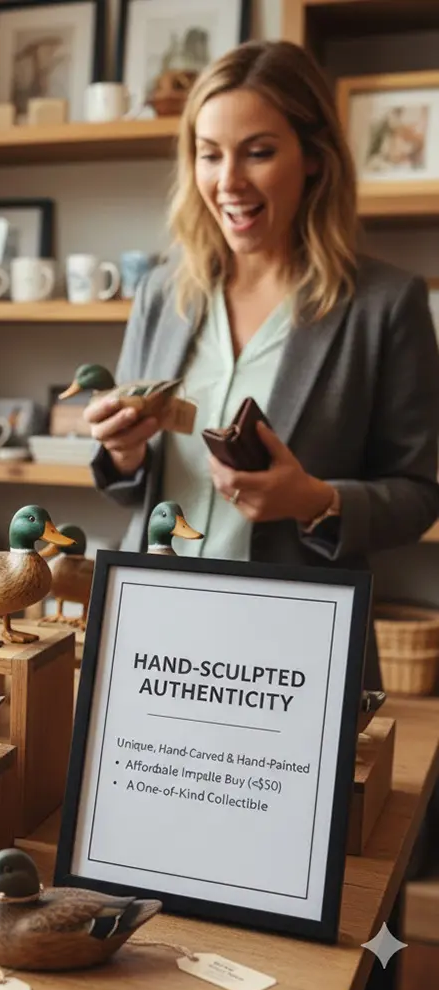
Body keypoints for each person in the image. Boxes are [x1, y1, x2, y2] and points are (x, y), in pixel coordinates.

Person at [86, 40, 439, 689]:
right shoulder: (164, 293)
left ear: (313, 158)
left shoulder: (387, 304)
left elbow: (417, 495)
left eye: (258, 151)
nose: (229, 182)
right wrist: (125, 452)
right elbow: (131, 484)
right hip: (152, 631)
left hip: (299, 646)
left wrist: (314, 501)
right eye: (209, 153)